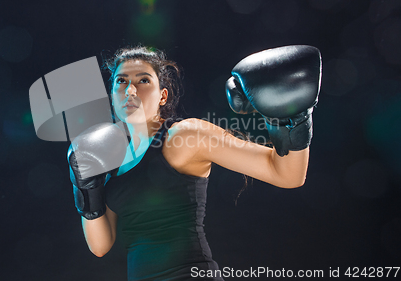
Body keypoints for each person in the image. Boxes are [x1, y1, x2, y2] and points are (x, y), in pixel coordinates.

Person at [68, 45, 321, 281]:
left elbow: (287, 174)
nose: (131, 90)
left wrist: (293, 118)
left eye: (143, 80)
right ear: (112, 94)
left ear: (163, 96)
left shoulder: (185, 136)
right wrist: (85, 189)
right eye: (121, 81)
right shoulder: (108, 157)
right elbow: (100, 246)